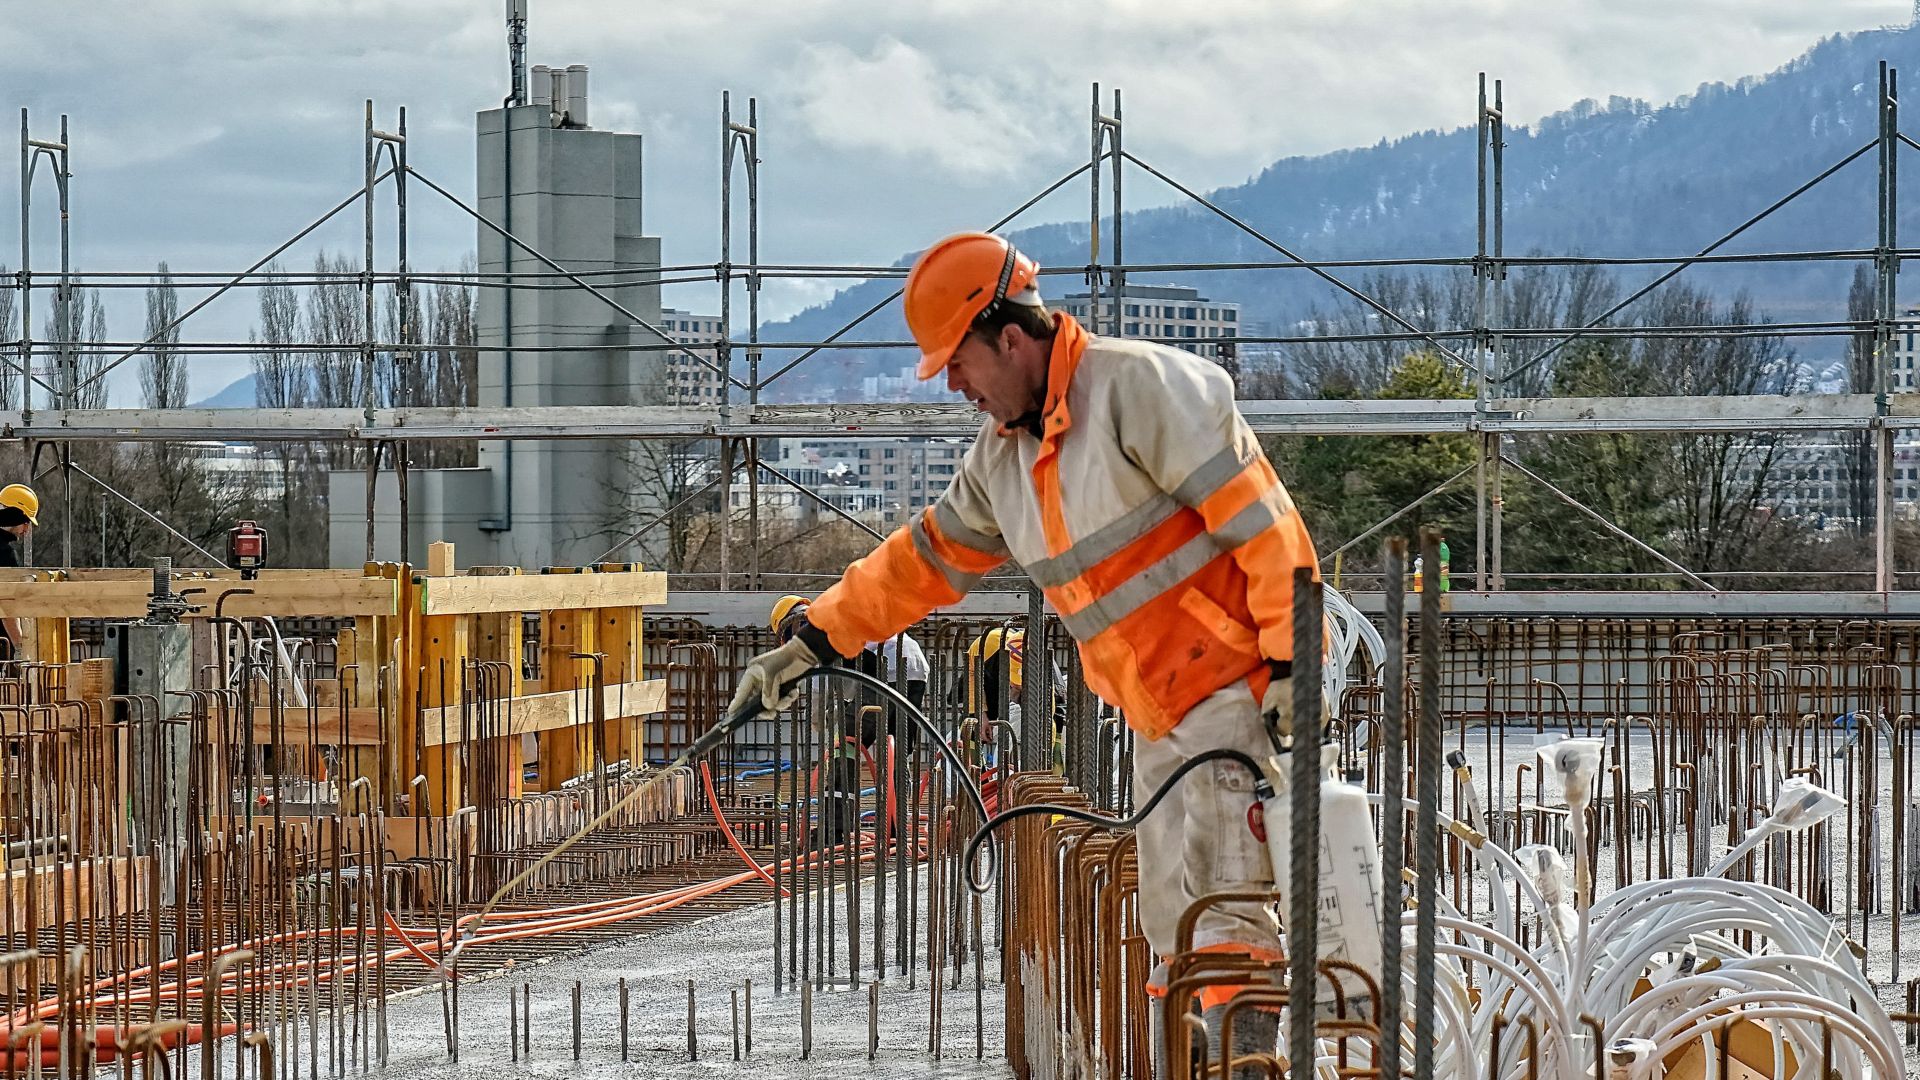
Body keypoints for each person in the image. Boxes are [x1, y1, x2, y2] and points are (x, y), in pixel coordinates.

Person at [729, 233, 1319, 1077]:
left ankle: (1250, 1069)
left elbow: (1268, 530)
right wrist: (816, 638)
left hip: (1236, 693)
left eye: (960, 364)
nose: (957, 386)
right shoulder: (1002, 461)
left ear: (1010, 335)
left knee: (1226, 916)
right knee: (1169, 925)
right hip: (1157, 717)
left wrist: (1297, 665)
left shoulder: (1141, 388)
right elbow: (919, 564)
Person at [769, 594, 927, 840]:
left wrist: (822, 724)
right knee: (895, 750)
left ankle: (835, 829)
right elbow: (849, 682)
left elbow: (822, 690)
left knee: (845, 749)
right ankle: (897, 828)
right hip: (914, 668)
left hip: (881, 669)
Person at [0, 485, 38, 658]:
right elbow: (7, 607)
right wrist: (21, 648)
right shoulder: (5, 554)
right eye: (26, 522)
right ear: (15, 515)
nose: (26, 530)